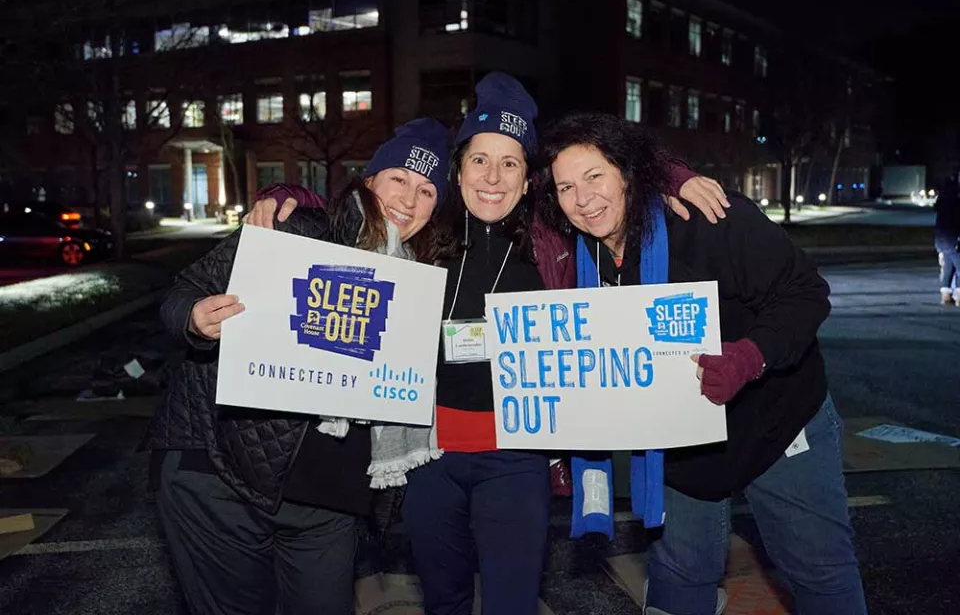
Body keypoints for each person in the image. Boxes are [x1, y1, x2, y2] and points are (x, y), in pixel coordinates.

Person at [249, 73, 729, 615]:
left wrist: (676, 176)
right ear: (457, 172)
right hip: (431, 457)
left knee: (512, 601)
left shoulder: (555, 241)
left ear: (529, 180)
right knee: (444, 597)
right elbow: (352, 211)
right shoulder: (425, 234)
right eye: (479, 160)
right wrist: (281, 193)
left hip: (517, 459)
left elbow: (611, 176)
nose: (494, 177)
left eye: (510, 163)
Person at [537, 112, 867, 615]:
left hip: (778, 424)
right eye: (565, 187)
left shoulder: (709, 220)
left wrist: (749, 356)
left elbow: (806, 292)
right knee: (679, 575)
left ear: (626, 174)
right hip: (684, 444)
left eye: (594, 176)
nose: (583, 199)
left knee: (820, 571)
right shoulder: (578, 256)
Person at [143, 118, 451, 615]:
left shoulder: (423, 281)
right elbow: (182, 292)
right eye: (399, 179)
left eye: (427, 190)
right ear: (369, 181)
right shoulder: (296, 227)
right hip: (220, 477)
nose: (409, 200)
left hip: (330, 506)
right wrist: (195, 321)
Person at [934, 172, 960, 305]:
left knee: (949, 269)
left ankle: (946, 296)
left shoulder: (942, 205)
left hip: (941, 240)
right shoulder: (956, 204)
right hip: (954, 239)